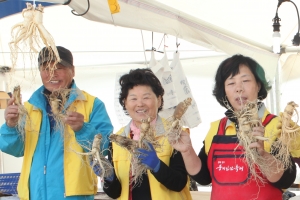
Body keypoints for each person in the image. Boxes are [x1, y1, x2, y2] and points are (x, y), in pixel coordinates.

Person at [171, 54, 298, 200]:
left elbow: (287, 179)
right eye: (231, 83)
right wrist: (187, 151)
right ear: (224, 91)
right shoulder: (216, 128)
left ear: (258, 85)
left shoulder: (278, 126)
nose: (239, 88)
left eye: (245, 80)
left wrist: (263, 156)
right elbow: (204, 177)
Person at [0, 46, 113, 200]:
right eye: (45, 68)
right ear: (40, 72)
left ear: (73, 71)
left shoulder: (92, 104)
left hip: (74, 196)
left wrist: (83, 129)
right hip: (35, 194)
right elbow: (15, 149)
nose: (51, 73)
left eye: (58, 68)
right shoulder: (28, 107)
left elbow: (106, 147)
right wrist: (11, 126)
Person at [101, 68, 192, 200]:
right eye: (133, 99)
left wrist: (157, 166)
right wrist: (108, 177)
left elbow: (179, 183)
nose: (140, 104)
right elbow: (115, 193)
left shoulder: (176, 134)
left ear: (159, 100)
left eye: (146, 97)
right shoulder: (116, 141)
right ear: (125, 103)